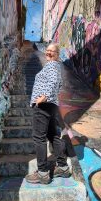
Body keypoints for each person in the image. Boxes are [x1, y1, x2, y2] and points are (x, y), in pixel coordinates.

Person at [25, 43, 71, 184]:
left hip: (44, 105)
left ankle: (43, 173)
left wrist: (44, 97)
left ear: (57, 54)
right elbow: (59, 84)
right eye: (48, 51)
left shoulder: (52, 66)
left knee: (39, 138)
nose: (49, 53)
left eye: (53, 51)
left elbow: (52, 82)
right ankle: (63, 167)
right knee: (53, 135)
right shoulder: (57, 67)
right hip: (51, 106)